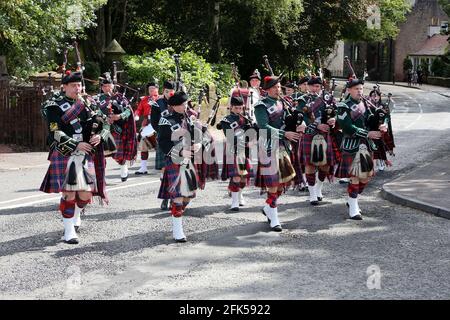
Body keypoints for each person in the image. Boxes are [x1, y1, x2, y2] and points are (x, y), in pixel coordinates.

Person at [40, 71, 109, 244]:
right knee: (69, 194)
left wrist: (100, 135)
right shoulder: (53, 105)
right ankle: (69, 231)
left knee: (85, 195)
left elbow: (105, 122)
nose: (77, 89)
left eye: (79, 85)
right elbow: (54, 131)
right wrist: (75, 144)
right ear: (64, 87)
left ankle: (76, 215)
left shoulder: (87, 102)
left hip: (85, 153)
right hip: (65, 152)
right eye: (73, 86)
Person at [254, 75, 301, 232]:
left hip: (284, 147)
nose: (278, 89)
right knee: (273, 183)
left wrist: (300, 125)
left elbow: (289, 122)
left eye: (279, 87)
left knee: (283, 181)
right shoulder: (261, 105)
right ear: (267, 90)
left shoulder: (283, 103)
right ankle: (274, 216)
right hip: (269, 147)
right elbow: (263, 126)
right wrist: (284, 134)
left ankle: (268, 207)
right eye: (274, 87)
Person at [335, 78, 385, 220]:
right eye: (356, 89)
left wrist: (381, 123)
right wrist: (367, 133)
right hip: (352, 145)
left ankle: (352, 199)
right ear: (349, 90)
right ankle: (353, 205)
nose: (359, 91)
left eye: (361, 89)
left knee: (366, 176)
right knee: (355, 177)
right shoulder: (343, 106)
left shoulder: (365, 104)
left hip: (366, 145)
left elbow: (370, 119)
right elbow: (347, 127)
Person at [157, 91, 203, 242]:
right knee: (178, 196)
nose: (186, 106)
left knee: (189, 195)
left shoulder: (188, 119)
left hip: (189, 160)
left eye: (186, 103)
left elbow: (195, 136)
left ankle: (176, 212)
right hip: (175, 160)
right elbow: (163, 142)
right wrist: (181, 150)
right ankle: (178, 230)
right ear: (175, 106)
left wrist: (197, 143)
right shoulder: (166, 120)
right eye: (183, 104)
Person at [297, 76, 338, 205]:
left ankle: (319, 188)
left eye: (318, 86)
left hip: (325, 134)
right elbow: (301, 117)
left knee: (324, 165)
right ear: (308, 86)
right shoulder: (302, 100)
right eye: (313, 86)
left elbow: (336, 111)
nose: (315, 89)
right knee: (309, 164)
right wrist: (316, 125)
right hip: (309, 134)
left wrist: (334, 119)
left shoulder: (328, 98)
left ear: (321, 87)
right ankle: (312, 193)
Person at [96, 72, 137, 182]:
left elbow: (129, 111)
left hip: (116, 129)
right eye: (104, 86)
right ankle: (101, 175)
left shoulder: (119, 97)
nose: (106, 88)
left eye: (108, 85)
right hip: (102, 129)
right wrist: (102, 118)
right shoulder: (97, 99)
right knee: (101, 154)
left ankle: (123, 166)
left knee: (118, 154)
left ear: (113, 86)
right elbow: (93, 112)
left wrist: (119, 116)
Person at [219, 96, 254, 211]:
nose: (239, 110)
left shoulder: (246, 119)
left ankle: (240, 194)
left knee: (244, 178)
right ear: (231, 107)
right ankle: (234, 202)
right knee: (236, 176)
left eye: (240, 108)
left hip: (245, 151)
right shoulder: (226, 120)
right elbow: (230, 137)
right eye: (236, 108)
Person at [150, 80, 176, 210]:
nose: (169, 94)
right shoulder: (157, 104)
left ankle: (173, 199)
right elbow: (154, 122)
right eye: (166, 91)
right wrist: (164, 132)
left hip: (178, 140)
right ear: (163, 91)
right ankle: (166, 198)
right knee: (165, 170)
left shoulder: (178, 102)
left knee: (175, 170)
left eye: (171, 92)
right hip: (164, 139)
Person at [134, 82, 159, 175]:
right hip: (147, 124)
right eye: (149, 89)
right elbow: (139, 109)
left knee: (160, 146)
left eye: (153, 88)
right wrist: (136, 114)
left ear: (157, 89)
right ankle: (143, 168)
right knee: (143, 146)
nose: (151, 90)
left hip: (158, 124)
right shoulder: (144, 100)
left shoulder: (161, 99)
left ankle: (164, 165)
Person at [367, 89, 395, 172]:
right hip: (371, 128)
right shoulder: (367, 106)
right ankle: (369, 164)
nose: (375, 97)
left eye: (377, 96)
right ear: (370, 97)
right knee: (371, 146)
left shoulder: (384, 106)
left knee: (381, 145)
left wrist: (385, 124)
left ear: (379, 97)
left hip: (381, 128)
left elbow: (387, 117)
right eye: (372, 95)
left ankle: (381, 161)